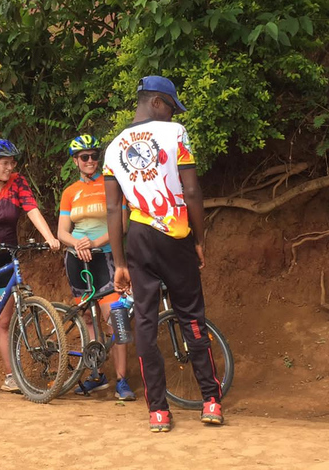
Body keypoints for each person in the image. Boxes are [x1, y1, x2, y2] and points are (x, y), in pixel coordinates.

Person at [103, 76, 223, 432]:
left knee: (145, 321)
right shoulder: (176, 134)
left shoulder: (114, 147)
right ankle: (211, 401)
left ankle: (158, 410)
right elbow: (191, 190)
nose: (173, 114)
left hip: (138, 238)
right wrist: (200, 240)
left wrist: (120, 262)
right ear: (156, 102)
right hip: (175, 233)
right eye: (171, 107)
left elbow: (113, 211)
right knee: (191, 315)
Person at [0, 138, 61, 393]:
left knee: (5, 322)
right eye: (5, 163)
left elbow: (32, 210)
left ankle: (10, 376)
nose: (10, 167)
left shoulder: (18, 182)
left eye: (12, 162)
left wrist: (49, 237)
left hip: (6, 254)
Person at [57, 135, 136, 401]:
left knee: (116, 318)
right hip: (77, 259)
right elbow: (61, 232)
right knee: (88, 319)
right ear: (75, 161)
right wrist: (78, 244)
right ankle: (96, 375)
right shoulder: (70, 192)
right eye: (84, 157)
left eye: (94, 156)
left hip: (105, 257)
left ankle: (122, 380)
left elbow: (122, 226)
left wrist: (96, 243)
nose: (90, 161)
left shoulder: (112, 184)